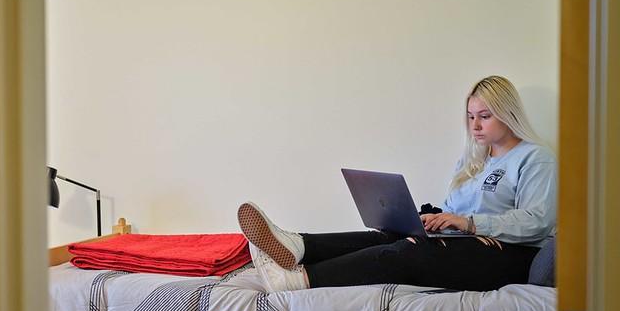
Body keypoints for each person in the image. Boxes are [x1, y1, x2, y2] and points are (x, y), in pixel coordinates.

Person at [238, 75, 556, 293]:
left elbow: (538, 222)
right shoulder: (474, 161)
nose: (475, 124)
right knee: (394, 234)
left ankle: (299, 281)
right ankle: (298, 245)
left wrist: (468, 223)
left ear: (507, 113)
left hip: (509, 257)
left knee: (408, 251)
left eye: (484, 116)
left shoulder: (535, 158)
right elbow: (458, 213)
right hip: (467, 244)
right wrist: (439, 219)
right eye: (470, 116)